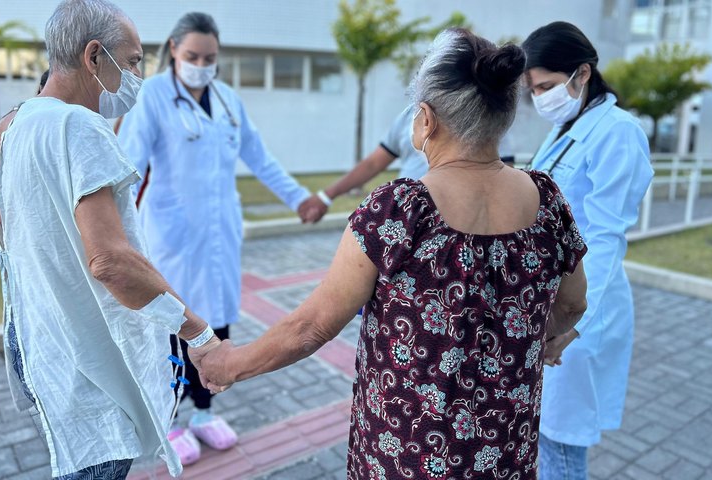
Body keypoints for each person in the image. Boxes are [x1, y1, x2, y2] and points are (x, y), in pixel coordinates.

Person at [199, 28, 589, 479]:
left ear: (425, 119)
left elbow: (310, 328)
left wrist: (229, 364)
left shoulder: (399, 211)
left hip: (406, 453)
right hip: (503, 452)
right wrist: (539, 340)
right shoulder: (547, 200)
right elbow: (573, 303)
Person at [0, 1, 221, 478]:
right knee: (95, 459)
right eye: (132, 61)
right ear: (94, 57)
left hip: (33, 338)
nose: (137, 74)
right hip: (84, 355)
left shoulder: (8, 127)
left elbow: (17, 242)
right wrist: (197, 332)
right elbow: (110, 261)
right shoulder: (79, 126)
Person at [116, 12, 315, 463]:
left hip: (220, 234)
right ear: (172, 50)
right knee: (173, 327)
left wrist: (300, 198)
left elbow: (261, 159)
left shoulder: (227, 101)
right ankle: (169, 419)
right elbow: (128, 168)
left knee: (216, 324)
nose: (202, 65)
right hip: (170, 235)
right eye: (192, 56)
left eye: (209, 57)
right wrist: (114, 232)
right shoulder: (152, 97)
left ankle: (204, 413)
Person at [522, 21, 654, 480]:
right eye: (533, 89)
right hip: (551, 300)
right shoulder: (565, 126)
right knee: (543, 434)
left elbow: (605, 237)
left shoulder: (618, 131)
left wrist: (572, 322)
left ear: (582, 73)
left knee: (560, 444)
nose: (540, 97)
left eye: (547, 86)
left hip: (582, 308)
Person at [300, 107, 516, 222]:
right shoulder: (408, 115)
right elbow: (374, 162)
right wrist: (326, 196)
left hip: (459, 224)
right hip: (404, 222)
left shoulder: (485, 119)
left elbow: (501, 178)